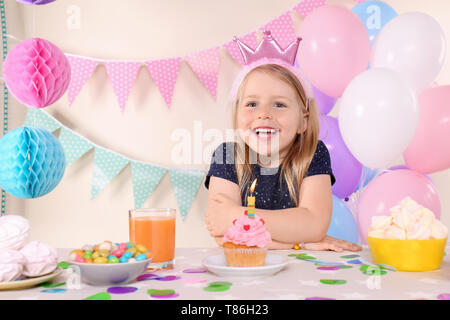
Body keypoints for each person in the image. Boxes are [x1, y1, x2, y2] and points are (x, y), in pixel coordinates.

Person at [204, 31, 362, 252]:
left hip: (301, 272)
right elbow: (222, 233)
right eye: (252, 104)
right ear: (237, 113)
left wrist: (235, 216)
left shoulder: (313, 153)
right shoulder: (227, 155)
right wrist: (300, 241)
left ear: (303, 122)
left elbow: (314, 225)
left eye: (279, 104)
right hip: (241, 271)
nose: (264, 114)